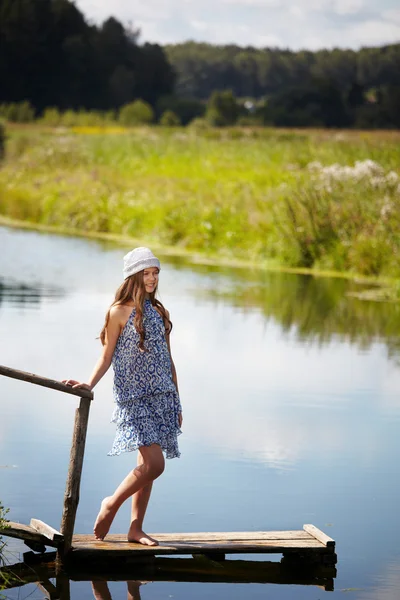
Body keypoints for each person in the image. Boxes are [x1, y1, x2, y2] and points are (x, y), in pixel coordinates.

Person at [63, 247, 183, 546]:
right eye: (146, 273)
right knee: (155, 464)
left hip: (162, 396)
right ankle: (111, 504)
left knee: (148, 467)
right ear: (133, 275)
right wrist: (88, 384)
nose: (152, 278)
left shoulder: (159, 312)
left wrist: (177, 400)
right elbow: (105, 357)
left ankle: (135, 528)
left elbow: (168, 359)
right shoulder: (118, 311)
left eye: (155, 273)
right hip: (133, 398)